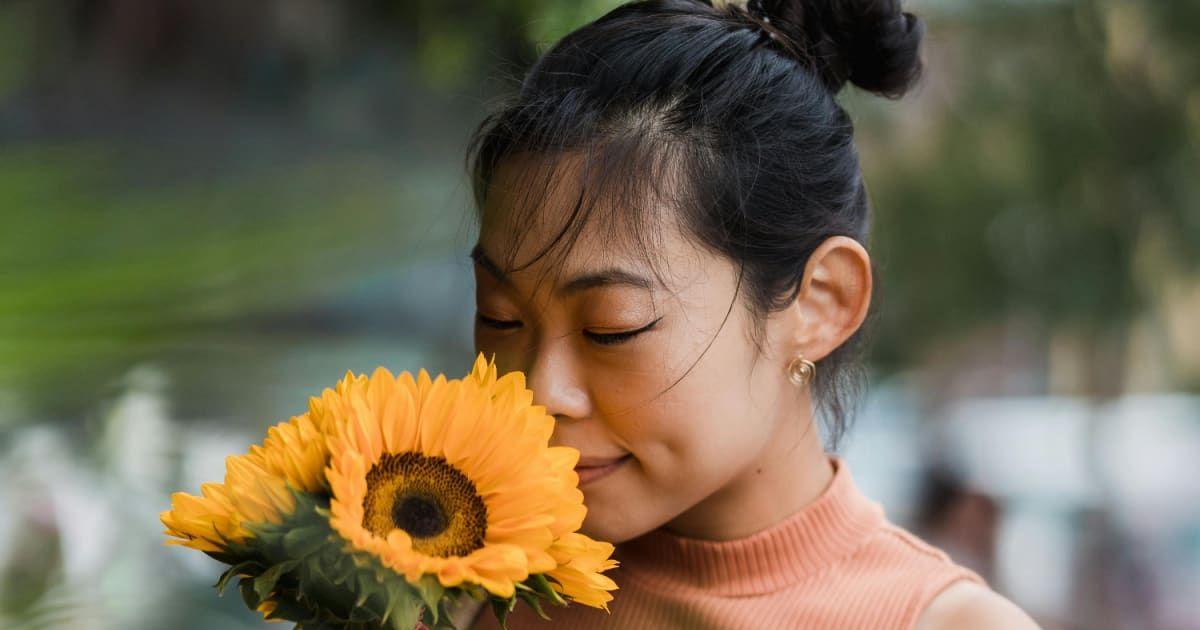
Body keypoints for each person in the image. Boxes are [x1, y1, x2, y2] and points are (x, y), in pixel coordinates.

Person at [459, 0, 1041, 627]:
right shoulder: (462, 576)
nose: (538, 392)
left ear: (821, 302)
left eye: (611, 327)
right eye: (500, 318)